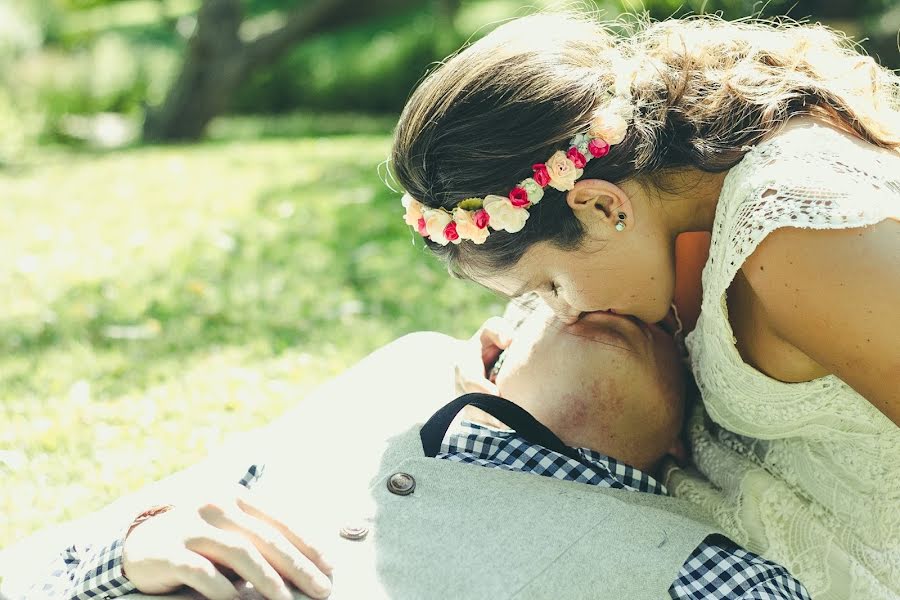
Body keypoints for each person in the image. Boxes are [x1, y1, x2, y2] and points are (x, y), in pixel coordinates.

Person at [390, 10, 899, 599]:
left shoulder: (796, 238)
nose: (559, 314)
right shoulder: (676, 216)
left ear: (603, 208)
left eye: (547, 287)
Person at [1, 299, 811, 599]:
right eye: (540, 295)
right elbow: (32, 574)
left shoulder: (707, 572)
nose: (577, 299)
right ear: (490, 349)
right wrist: (132, 551)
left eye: (666, 320)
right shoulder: (363, 409)